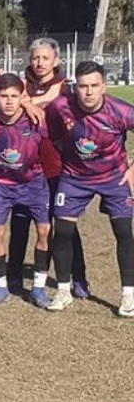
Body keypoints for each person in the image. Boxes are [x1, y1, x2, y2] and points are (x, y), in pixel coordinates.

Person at [46, 61, 134, 316]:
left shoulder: (121, 111)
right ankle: (63, 291)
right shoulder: (61, 106)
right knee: (62, 231)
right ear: (75, 87)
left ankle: (128, 295)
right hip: (75, 178)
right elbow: (54, 133)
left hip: (114, 178)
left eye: (94, 86)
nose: (88, 92)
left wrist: (132, 168)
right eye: (83, 86)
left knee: (123, 233)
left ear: (104, 86)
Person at [7, 38, 89, 297]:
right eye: (35, 57)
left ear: (56, 61)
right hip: (24, 168)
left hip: (57, 167)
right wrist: (25, 102)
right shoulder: (19, 86)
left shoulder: (68, 88)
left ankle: (79, 278)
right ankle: (13, 276)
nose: (39, 62)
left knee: (65, 226)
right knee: (20, 224)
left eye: (45, 58)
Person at [0, 74, 52, 308]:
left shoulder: (36, 119)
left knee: (44, 231)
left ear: (22, 97)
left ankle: (38, 288)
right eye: (4, 96)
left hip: (33, 184)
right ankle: (1, 287)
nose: (9, 101)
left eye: (15, 96)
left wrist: (30, 105)